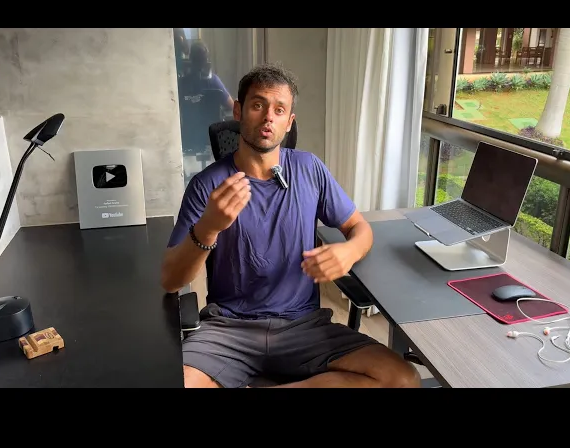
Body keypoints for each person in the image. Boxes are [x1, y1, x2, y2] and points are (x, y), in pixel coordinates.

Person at [161, 63, 421, 388]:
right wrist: (208, 227)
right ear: (239, 111)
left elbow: (360, 228)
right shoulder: (207, 185)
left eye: (279, 109)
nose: (268, 117)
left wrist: (349, 251)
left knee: (402, 379)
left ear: (289, 122)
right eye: (258, 105)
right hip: (229, 330)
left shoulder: (310, 169)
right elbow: (171, 280)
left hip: (303, 327)